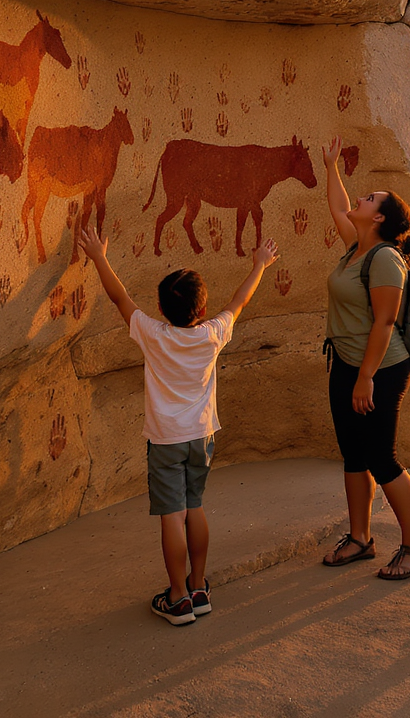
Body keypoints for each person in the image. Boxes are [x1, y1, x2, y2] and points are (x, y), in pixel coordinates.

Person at [77, 222, 279, 626]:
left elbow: (120, 297)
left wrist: (99, 257)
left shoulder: (153, 334)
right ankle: (198, 587)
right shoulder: (212, 333)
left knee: (172, 514)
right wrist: (259, 264)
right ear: (202, 310)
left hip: (165, 439)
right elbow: (239, 301)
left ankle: (177, 597)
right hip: (201, 436)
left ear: (160, 307)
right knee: (195, 506)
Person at [319, 136, 410, 579]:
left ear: (380, 217)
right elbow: (338, 206)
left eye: (368, 199)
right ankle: (360, 539)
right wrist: (331, 167)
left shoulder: (385, 259)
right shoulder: (357, 247)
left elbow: (385, 323)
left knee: (382, 458)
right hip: (346, 363)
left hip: (381, 369)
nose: (359, 200)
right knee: (353, 454)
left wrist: (365, 377)